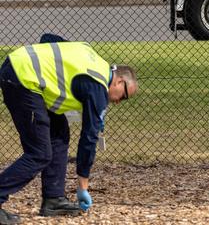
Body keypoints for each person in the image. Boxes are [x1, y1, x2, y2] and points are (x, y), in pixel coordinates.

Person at [0, 34, 138, 225]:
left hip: (19, 68)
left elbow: (48, 38)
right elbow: (89, 139)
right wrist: (82, 186)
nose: (118, 102)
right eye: (123, 97)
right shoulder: (97, 88)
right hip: (22, 79)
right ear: (119, 81)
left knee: (59, 134)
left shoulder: (90, 53)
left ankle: (53, 200)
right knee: (39, 153)